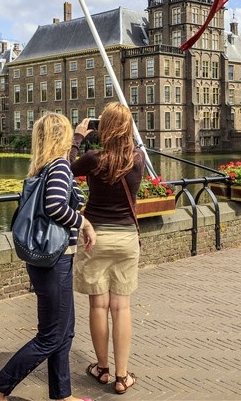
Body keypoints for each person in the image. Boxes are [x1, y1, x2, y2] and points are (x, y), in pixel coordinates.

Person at [0, 112, 97, 401]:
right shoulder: (58, 167)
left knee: (65, 332)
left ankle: (62, 396)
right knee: (49, 336)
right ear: (61, 136)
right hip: (54, 261)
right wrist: (83, 223)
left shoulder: (43, 166)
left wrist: (78, 139)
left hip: (52, 258)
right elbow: (55, 206)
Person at [69, 102, 145, 395]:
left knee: (98, 306)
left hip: (95, 237)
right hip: (126, 238)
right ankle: (122, 376)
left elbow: (63, 168)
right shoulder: (137, 159)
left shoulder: (92, 158)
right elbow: (131, 150)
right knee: (121, 307)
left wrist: (78, 137)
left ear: (105, 129)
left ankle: (102, 369)